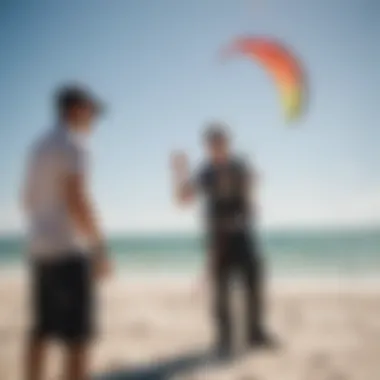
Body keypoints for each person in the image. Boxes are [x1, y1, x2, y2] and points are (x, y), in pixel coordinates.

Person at [22, 84, 111, 380]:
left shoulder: (39, 146)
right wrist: (99, 248)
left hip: (40, 248)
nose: (94, 118)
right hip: (68, 250)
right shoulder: (74, 143)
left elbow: (26, 198)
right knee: (78, 339)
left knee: (41, 330)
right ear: (76, 108)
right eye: (91, 111)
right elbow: (77, 199)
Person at [171, 122, 274, 356]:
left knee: (254, 281)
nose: (218, 147)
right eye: (213, 143)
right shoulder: (205, 172)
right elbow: (183, 199)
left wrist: (250, 194)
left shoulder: (239, 165)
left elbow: (252, 193)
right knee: (221, 289)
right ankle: (224, 338)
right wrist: (179, 172)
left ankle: (255, 333)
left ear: (228, 143)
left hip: (242, 233)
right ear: (208, 147)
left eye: (221, 142)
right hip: (218, 237)